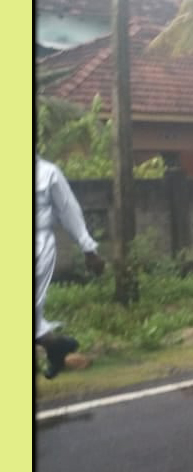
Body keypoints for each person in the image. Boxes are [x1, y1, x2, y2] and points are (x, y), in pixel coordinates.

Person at [36, 156, 105, 378]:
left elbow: (69, 211)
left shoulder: (48, 173)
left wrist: (89, 249)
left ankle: (54, 346)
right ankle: (55, 346)